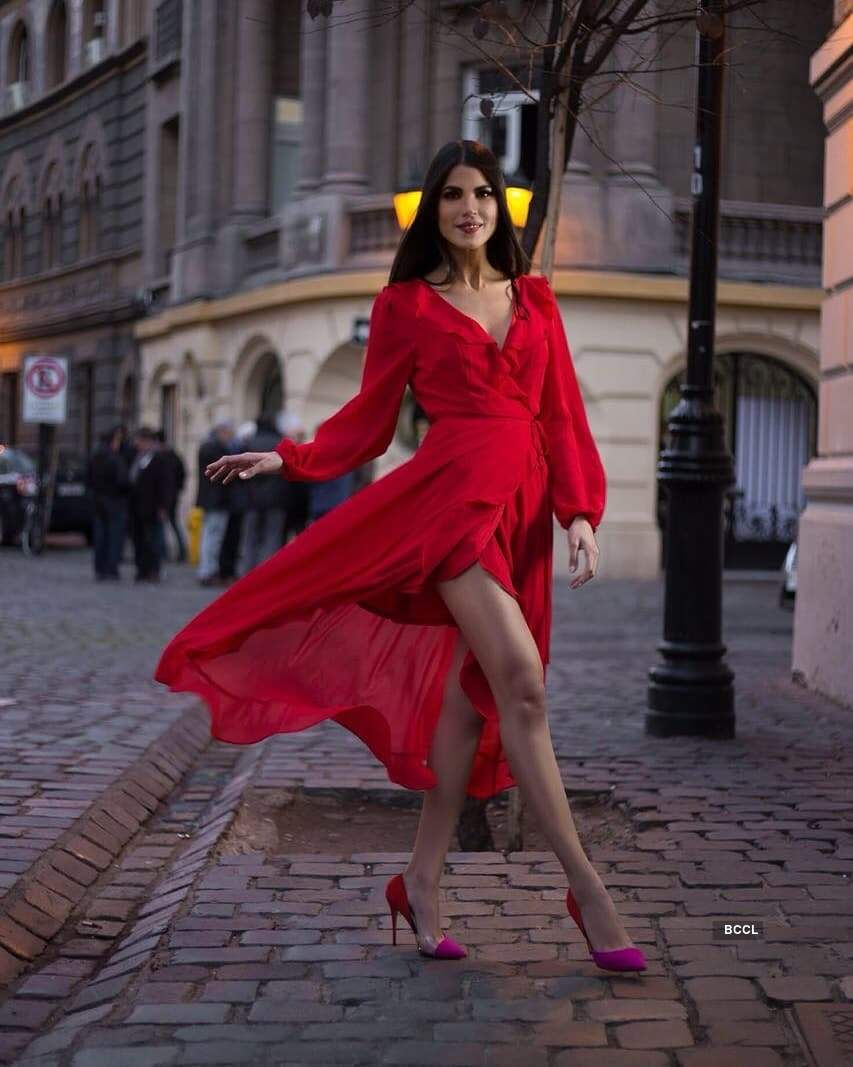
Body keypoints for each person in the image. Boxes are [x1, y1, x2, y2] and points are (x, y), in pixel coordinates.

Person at [156, 140, 645, 972]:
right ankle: (586, 888)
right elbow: (369, 419)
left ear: (500, 206)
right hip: (449, 504)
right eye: (452, 195)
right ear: (432, 208)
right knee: (521, 682)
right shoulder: (406, 306)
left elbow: (561, 413)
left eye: (483, 194)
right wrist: (291, 457)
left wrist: (579, 512)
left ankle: (420, 877)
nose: (469, 209)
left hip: (522, 507)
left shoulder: (536, 299)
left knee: (469, 701)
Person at [237, 414, 287, 573]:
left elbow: (239, 472)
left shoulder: (248, 443)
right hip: (276, 498)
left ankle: (247, 571)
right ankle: (268, 572)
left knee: (250, 537)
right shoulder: (280, 442)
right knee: (272, 536)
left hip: (251, 498)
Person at [86, 426, 130, 580]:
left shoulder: (94, 456)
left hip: (98, 500)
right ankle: (111, 568)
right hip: (114, 501)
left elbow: (88, 479)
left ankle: (100, 568)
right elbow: (123, 480)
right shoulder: (114, 458)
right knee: (114, 537)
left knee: (100, 536)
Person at [196, 420, 235, 587]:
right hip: (218, 500)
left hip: (209, 499)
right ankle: (208, 571)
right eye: (228, 433)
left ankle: (206, 570)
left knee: (209, 536)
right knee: (214, 537)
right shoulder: (218, 449)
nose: (230, 437)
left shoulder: (206, 447)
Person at [128, 426, 168, 583]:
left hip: (153, 507)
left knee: (153, 540)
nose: (137, 444)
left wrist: (163, 506)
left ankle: (153, 570)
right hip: (137, 507)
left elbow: (165, 484)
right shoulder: (136, 457)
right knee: (139, 540)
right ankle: (141, 570)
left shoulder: (159, 459)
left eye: (140, 441)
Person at [155, 430, 187, 563]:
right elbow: (182, 474)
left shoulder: (160, 456)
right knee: (173, 523)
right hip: (173, 494)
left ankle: (164, 552)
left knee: (163, 523)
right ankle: (181, 552)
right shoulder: (173, 455)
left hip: (165, 495)